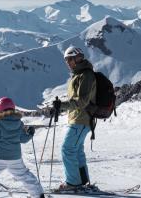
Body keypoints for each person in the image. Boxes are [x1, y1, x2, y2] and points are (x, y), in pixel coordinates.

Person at [0, 97, 44, 197]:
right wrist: (30, 133)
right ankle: (38, 195)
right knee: (25, 176)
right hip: (15, 158)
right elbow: (23, 139)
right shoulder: (19, 123)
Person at [57, 46, 98, 192]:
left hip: (81, 120)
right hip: (78, 119)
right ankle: (82, 181)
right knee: (76, 151)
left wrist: (61, 105)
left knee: (67, 149)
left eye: (69, 59)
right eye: (66, 60)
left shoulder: (86, 75)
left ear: (77, 58)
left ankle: (73, 183)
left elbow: (81, 101)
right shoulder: (78, 75)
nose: (67, 62)